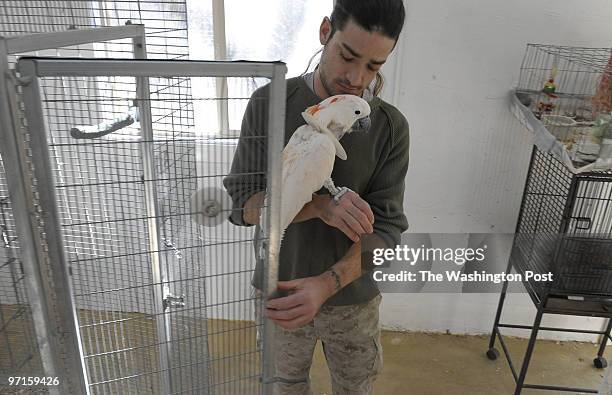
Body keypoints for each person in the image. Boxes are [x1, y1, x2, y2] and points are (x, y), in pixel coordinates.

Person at [223, 1, 409, 393]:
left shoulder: (389, 127)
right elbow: (241, 204)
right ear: (325, 31)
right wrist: (317, 207)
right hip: (281, 290)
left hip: (353, 301)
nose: (357, 77)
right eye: (348, 56)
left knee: (355, 387)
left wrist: (327, 284)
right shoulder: (269, 103)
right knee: (284, 386)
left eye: (374, 66)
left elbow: (389, 231)